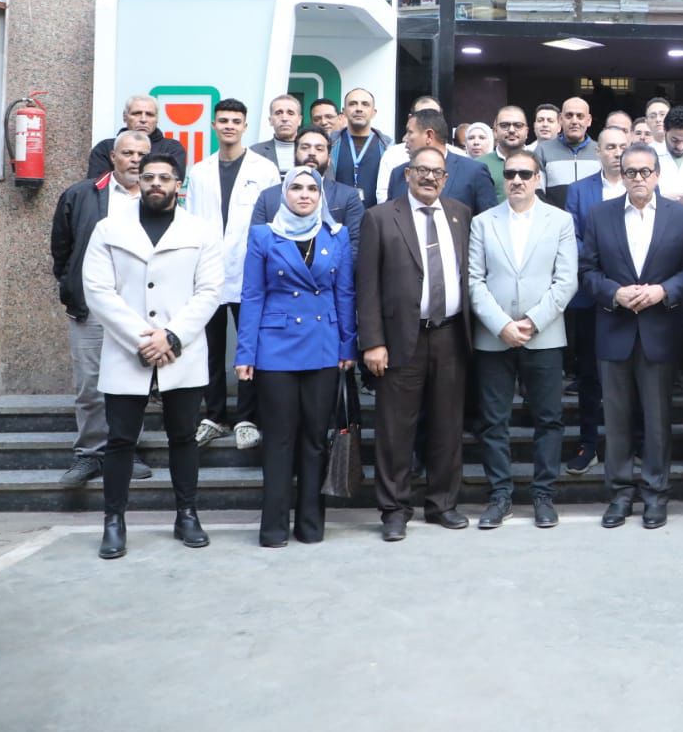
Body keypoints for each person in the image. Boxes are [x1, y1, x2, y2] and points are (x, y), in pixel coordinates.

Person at [81, 153, 223, 559]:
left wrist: (172, 337)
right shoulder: (109, 228)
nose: (156, 183)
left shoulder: (201, 231)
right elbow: (98, 291)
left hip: (182, 352)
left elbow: (210, 290)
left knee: (183, 437)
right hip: (129, 350)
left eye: (164, 177)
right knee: (120, 440)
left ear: (179, 185)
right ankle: (113, 521)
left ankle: (187, 515)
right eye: (148, 177)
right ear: (138, 182)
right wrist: (142, 339)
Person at [234, 166, 356, 547]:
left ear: (321, 196)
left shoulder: (336, 235)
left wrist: (347, 346)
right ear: (284, 194)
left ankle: (310, 525)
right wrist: (245, 352)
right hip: (275, 348)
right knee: (279, 439)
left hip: (323, 346)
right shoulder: (263, 235)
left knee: (315, 439)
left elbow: (345, 293)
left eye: (312, 189)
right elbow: (252, 295)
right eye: (296, 188)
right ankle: (273, 528)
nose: (304, 194)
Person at [579, 144, 683, 529]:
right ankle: (619, 495)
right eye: (630, 172)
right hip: (614, 329)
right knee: (616, 421)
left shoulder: (681, 216)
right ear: (622, 175)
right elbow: (587, 270)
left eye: (645, 171)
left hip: (660, 330)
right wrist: (613, 293)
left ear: (657, 174)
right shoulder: (600, 215)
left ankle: (655, 494)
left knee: (658, 420)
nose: (638, 178)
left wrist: (664, 291)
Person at [358, 147, 475, 540]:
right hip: (398, 340)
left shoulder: (460, 214)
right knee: (395, 429)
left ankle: (443, 504)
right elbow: (366, 286)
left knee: (447, 425)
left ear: (446, 178)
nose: (429, 177)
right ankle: (394, 509)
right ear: (407, 174)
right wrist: (372, 342)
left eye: (437, 172)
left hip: (450, 335)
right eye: (421, 170)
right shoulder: (380, 217)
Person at [468, 151, 578, 530]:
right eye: (511, 173)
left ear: (537, 179)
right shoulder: (483, 222)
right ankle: (500, 496)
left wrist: (532, 322)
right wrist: (501, 324)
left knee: (548, 419)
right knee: (493, 421)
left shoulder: (560, 220)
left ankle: (543, 495)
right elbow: (474, 280)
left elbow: (566, 280)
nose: (516, 180)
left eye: (525, 174)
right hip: (493, 336)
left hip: (544, 334)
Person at [52, 131, 154, 485]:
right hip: (92, 306)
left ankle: (126, 449)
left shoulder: (159, 196)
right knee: (90, 385)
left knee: (133, 382)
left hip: (138, 309)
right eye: (128, 153)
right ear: (113, 157)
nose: (135, 160)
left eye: (142, 154)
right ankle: (89, 454)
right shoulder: (82, 194)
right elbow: (62, 250)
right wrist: (74, 286)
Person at [187, 99, 281, 452]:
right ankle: (214, 416)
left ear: (245, 126)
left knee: (249, 346)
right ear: (213, 125)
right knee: (209, 348)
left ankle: (246, 419)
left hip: (250, 272)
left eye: (235, 121)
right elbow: (190, 221)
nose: (229, 126)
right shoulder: (199, 172)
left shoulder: (265, 169)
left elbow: (272, 222)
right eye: (223, 120)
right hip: (207, 271)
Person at [560, 127, 633, 474]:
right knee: (590, 375)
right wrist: (605, 272)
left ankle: (632, 444)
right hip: (592, 295)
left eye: (622, 146)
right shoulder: (579, 190)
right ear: (597, 152)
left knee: (632, 374)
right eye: (610, 147)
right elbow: (572, 237)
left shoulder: (642, 185)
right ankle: (588, 443)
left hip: (633, 295)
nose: (616, 152)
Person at [250, 126, 365, 255]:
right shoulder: (268, 197)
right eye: (305, 147)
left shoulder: (348, 197)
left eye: (319, 149)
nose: (311, 153)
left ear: (329, 159)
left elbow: (355, 245)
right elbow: (256, 245)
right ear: (294, 155)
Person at [386, 107, 499, 216]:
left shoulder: (473, 172)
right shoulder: (399, 174)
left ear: (429, 135)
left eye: (410, 132)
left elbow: (489, 221)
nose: (404, 139)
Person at [373, 96, 464, 204]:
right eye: (422, 114)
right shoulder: (397, 169)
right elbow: (387, 206)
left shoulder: (469, 168)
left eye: (434, 115)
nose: (405, 138)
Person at [85, 93, 187, 180]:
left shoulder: (172, 148)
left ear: (157, 119)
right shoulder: (105, 148)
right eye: (137, 113)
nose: (143, 119)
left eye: (149, 114)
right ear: (125, 117)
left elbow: (171, 184)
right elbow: (96, 187)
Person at [328, 87, 391, 209]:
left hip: (376, 216)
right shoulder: (329, 144)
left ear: (373, 112)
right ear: (344, 112)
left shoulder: (388, 147)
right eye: (353, 104)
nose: (359, 109)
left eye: (365, 104)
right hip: (337, 216)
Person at [537, 97, 600, 206]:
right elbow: (537, 193)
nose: (574, 121)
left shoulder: (601, 151)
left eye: (580, 116)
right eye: (569, 116)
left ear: (589, 120)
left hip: (592, 216)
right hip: (554, 216)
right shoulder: (543, 150)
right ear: (560, 119)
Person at [476, 105, 525, 199]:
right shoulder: (479, 165)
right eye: (504, 125)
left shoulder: (538, 161)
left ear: (526, 131)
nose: (511, 130)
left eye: (518, 125)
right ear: (495, 131)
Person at [250, 94, 302, 176]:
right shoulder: (254, 152)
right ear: (270, 120)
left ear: (299, 120)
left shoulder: (311, 151)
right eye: (278, 113)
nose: (284, 118)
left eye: (290, 113)